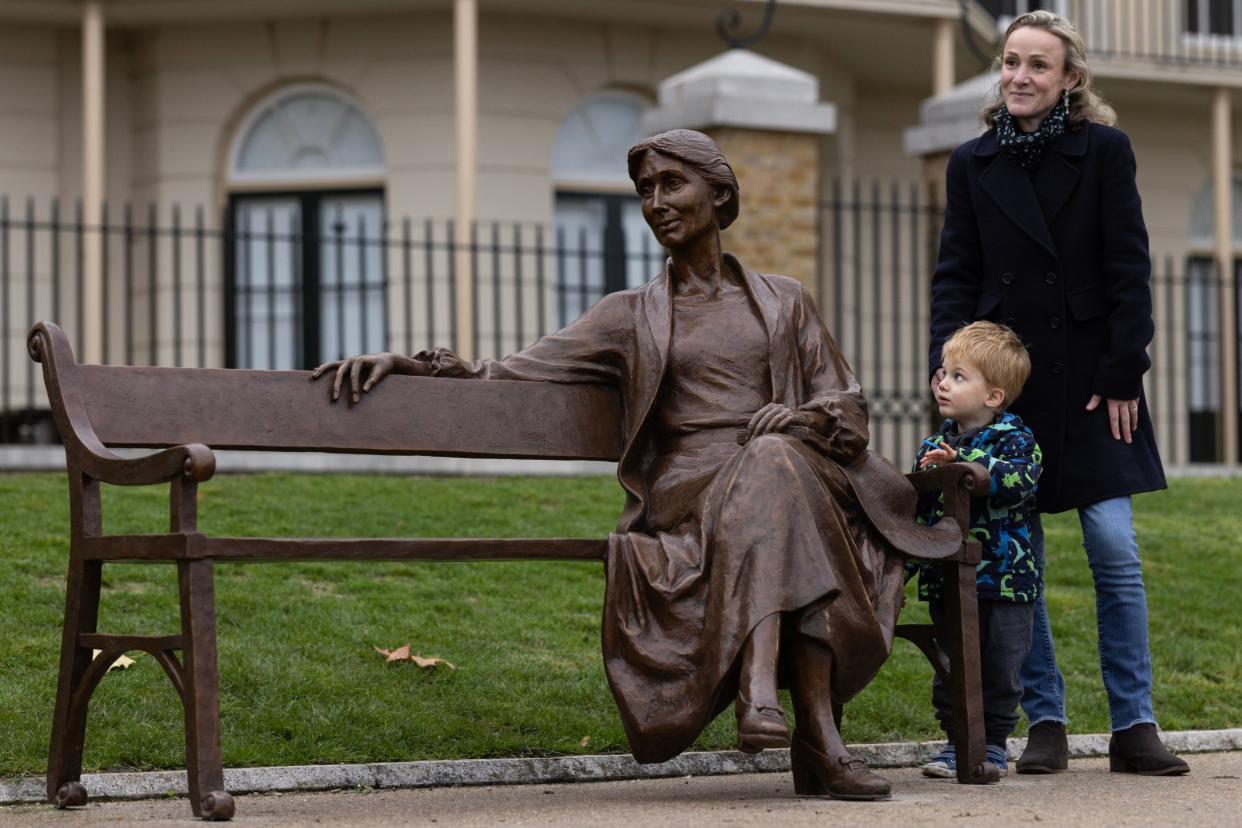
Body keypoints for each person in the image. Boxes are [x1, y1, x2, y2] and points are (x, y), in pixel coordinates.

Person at [314, 128, 961, 801]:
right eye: (644, 190)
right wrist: (415, 365)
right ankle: (819, 737)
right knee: (778, 480)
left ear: (718, 191)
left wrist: (798, 418)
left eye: (670, 184)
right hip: (690, 489)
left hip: (789, 469)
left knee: (774, 463)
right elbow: (507, 373)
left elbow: (847, 407)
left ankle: (763, 691)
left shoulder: (784, 300)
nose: (655, 202)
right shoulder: (629, 316)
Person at [928, 11, 1188, 776]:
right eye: (1012, 62)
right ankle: (1045, 719)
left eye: (1039, 65)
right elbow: (956, 276)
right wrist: (952, 369)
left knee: (1113, 547)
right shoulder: (972, 163)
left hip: (1094, 385)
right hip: (1014, 389)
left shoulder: (1105, 152)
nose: (1020, 76)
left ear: (1070, 78)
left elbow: (1127, 266)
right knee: (1021, 560)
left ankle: (1134, 724)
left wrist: (1122, 370)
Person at [911, 321, 1041, 779]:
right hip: (949, 580)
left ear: (993, 397)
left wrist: (967, 465)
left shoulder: (1016, 439)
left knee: (1000, 667)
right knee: (952, 666)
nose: (943, 382)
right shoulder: (933, 445)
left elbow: (1017, 483)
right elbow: (921, 515)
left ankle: (993, 748)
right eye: (944, 373)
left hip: (1005, 582)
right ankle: (956, 744)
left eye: (959, 376)